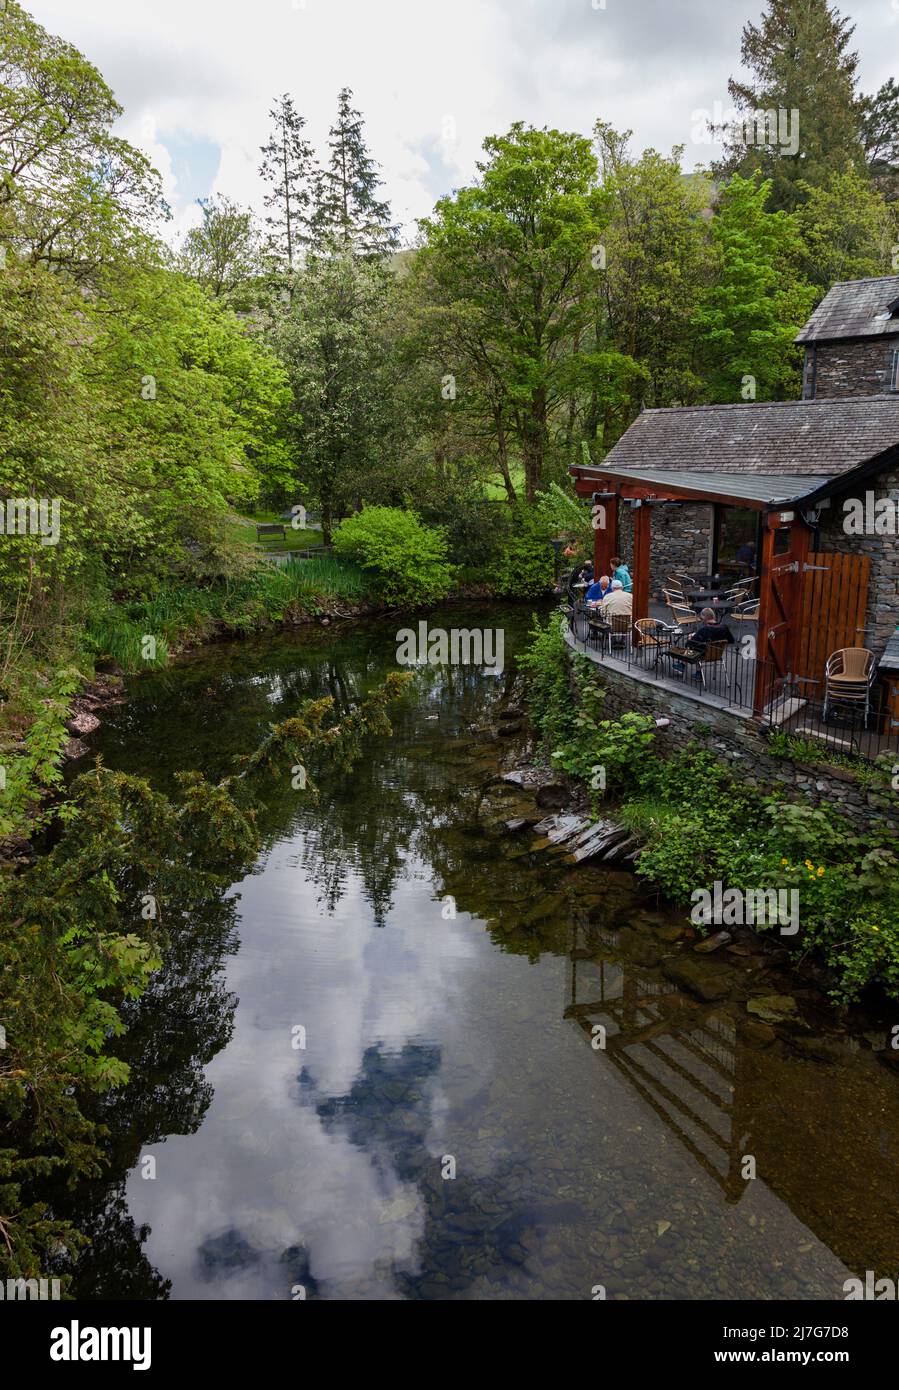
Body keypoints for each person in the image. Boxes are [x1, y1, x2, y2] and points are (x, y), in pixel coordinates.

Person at [669, 607, 733, 677]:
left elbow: (690, 643)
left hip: (705, 654)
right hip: (718, 653)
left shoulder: (705, 629)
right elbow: (731, 640)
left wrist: (691, 637)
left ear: (705, 617)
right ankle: (694, 671)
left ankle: (684, 666)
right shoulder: (724, 627)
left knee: (692, 646)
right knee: (697, 646)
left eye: (702, 618)